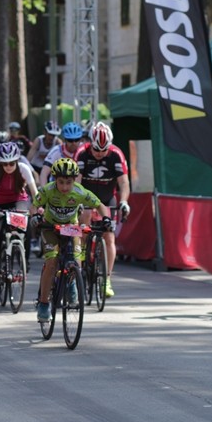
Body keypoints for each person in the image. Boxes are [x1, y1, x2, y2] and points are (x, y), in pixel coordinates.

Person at [32, 158, 112, 323]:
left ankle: (72, 283)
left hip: (71, 228)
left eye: (68, 182)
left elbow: (100, 206)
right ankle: (44, 303)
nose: (64, 187)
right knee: (52, 261)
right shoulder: (48, 190)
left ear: (74, 180)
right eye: (60, 182)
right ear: (55, 180)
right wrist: (35, 216)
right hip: (50, 228)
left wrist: (106, 219)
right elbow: (34, 205)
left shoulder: (80, 191)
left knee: (77, 260)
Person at [74, 121, 129, 298]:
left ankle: (106, 279)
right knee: (86, 216)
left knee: (109, 236)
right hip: (87, 196)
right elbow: (77, 181)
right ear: (91, 143)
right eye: (96, 150)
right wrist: (77, 201)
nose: (99, 154)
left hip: (106, 198)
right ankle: (82, 253)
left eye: (103, 150)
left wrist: (124, 202)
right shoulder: (82, 153)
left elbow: (124, 183)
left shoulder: (116, 154)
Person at [0, 142, 39, 289]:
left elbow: (35, 192)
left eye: (12, 163)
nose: (8, 167)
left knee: (23, 230)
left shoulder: (24, 169)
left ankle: (24, 263)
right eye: (5, 163)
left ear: (17, 161)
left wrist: (37, 207)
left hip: (18, 201)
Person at [40, 121, 83, 187]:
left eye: (77, 140)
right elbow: (44, 173)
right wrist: (44, 191)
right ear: (65, 140)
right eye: (70, 140)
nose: (74, 143)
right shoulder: (56, 151)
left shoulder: (84, 151)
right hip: (56, 189)